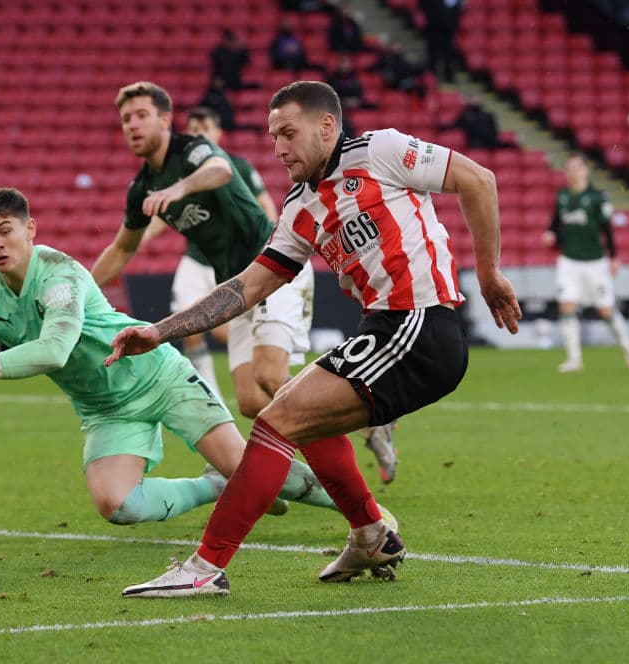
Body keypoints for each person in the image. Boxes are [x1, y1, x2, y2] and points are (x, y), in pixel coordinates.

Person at [105, 81, 521, 596]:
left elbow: (478, 179)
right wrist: (159, 331)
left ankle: (205, 567)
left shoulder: (380, 151)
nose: (279, 148)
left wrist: (489, 274)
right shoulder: (300, 207)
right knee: (295, 414)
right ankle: (370, 535)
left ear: (327, 127)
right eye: (273, 137)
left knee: (276, 420)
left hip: (419, 326)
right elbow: (246, 287)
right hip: (384, 330)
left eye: (288, 133)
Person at [0, 187, 391, 531]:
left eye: (6, 230)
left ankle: (367, 515)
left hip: (158, 376)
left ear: (31, 230)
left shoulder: (61, 274)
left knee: (265, 474)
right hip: (104, 407)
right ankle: (210, 485)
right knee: (117, 506)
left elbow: (55, 350)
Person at [92, 81, 316, 424]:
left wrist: (180, 187)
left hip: (271, 266)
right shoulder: (141, 188)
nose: (133, 124)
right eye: (126, 119)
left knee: (270, 375)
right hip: (236, 285)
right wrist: (81, 289)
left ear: (165, 120)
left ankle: (348, 414)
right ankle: (339, 406)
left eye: (141, 115)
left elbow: (220, 170)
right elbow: (122, 248)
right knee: (250, 401)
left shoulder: (193, 149)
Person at [139, 106, 278, 395]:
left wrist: (273, 247)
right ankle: (209, 397)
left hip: (237, 262)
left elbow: (265, 205)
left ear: (218, 133)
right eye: (194, 129)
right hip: (195, 260)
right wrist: (140, 237)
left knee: (224, 330)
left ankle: (269, 369)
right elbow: (162, 216)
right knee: (188, 326)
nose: (199, 133)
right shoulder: (177, 174)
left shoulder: (237, 166)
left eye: (205, 128)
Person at [541, 154, 629, 372]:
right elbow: (556, 222)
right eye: (569, 168)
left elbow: (607, 229)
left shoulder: (597, 198)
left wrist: (614, 257)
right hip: (569, 260)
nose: (573, 172)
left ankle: (627, 345)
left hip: (595, 261)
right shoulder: (562, 196)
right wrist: (550, 233)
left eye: (577, 167)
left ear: (586, 170)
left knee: (605, 310)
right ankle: (574, 359)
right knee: (566, 305)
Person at [420, 0, 463, 82]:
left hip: (449, 27)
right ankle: (432, 76)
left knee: (449, 51)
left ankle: (448, 75)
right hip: (434, 26)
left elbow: (457, 7)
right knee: (433, 51)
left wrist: (452, 19)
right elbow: (424, 5)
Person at [439, 97, 506, 150]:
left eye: (476, 99)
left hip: (489, 144)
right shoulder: (465, 116)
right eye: (473, 99)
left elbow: (494, 132)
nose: (475, 101)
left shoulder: (488, 116)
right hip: (474, 145)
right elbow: (454, 125)